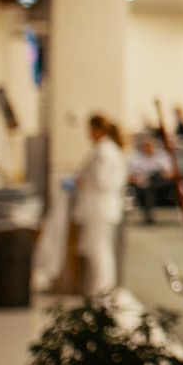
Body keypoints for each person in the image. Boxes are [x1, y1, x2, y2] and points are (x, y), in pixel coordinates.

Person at [73, 115, 127, 292]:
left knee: (99, 250)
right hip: (100, 207)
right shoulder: (106, 150)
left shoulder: (105, 152)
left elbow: (101, 180)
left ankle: (102, 290)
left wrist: (83, 181)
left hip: (100, 207)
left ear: (98, 130)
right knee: (97, 249)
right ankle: (100, 289)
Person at [126, 134, 175, 225]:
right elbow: (129, 176)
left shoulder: (162, 156)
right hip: (142, 182)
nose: (149, 148)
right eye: (146, 146)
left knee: (149, 185)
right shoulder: (136, 157)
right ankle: (149, 216)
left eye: (151, 146)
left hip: (159, 182)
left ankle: (149, 216)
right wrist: (138, 179)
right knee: (147, 188)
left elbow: (170, 174)